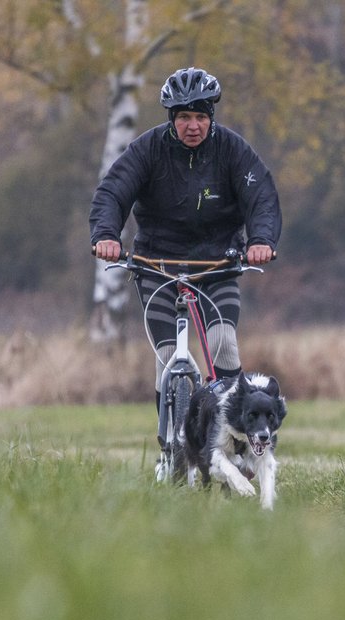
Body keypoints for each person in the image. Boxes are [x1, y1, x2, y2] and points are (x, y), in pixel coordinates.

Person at [89, 66, 282, 402]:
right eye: (184, 117)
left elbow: (261, 197)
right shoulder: (148, 149)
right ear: (171, 118)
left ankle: (233, 434)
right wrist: (106, 235)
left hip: (217, 264)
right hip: (157, 264)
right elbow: (113, 192)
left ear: (211, 116)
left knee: (222, 342)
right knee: (167, 356)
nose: (193, 126)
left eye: (200, 117)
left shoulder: (232, 151)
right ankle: (170, 446)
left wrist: (261, 240)